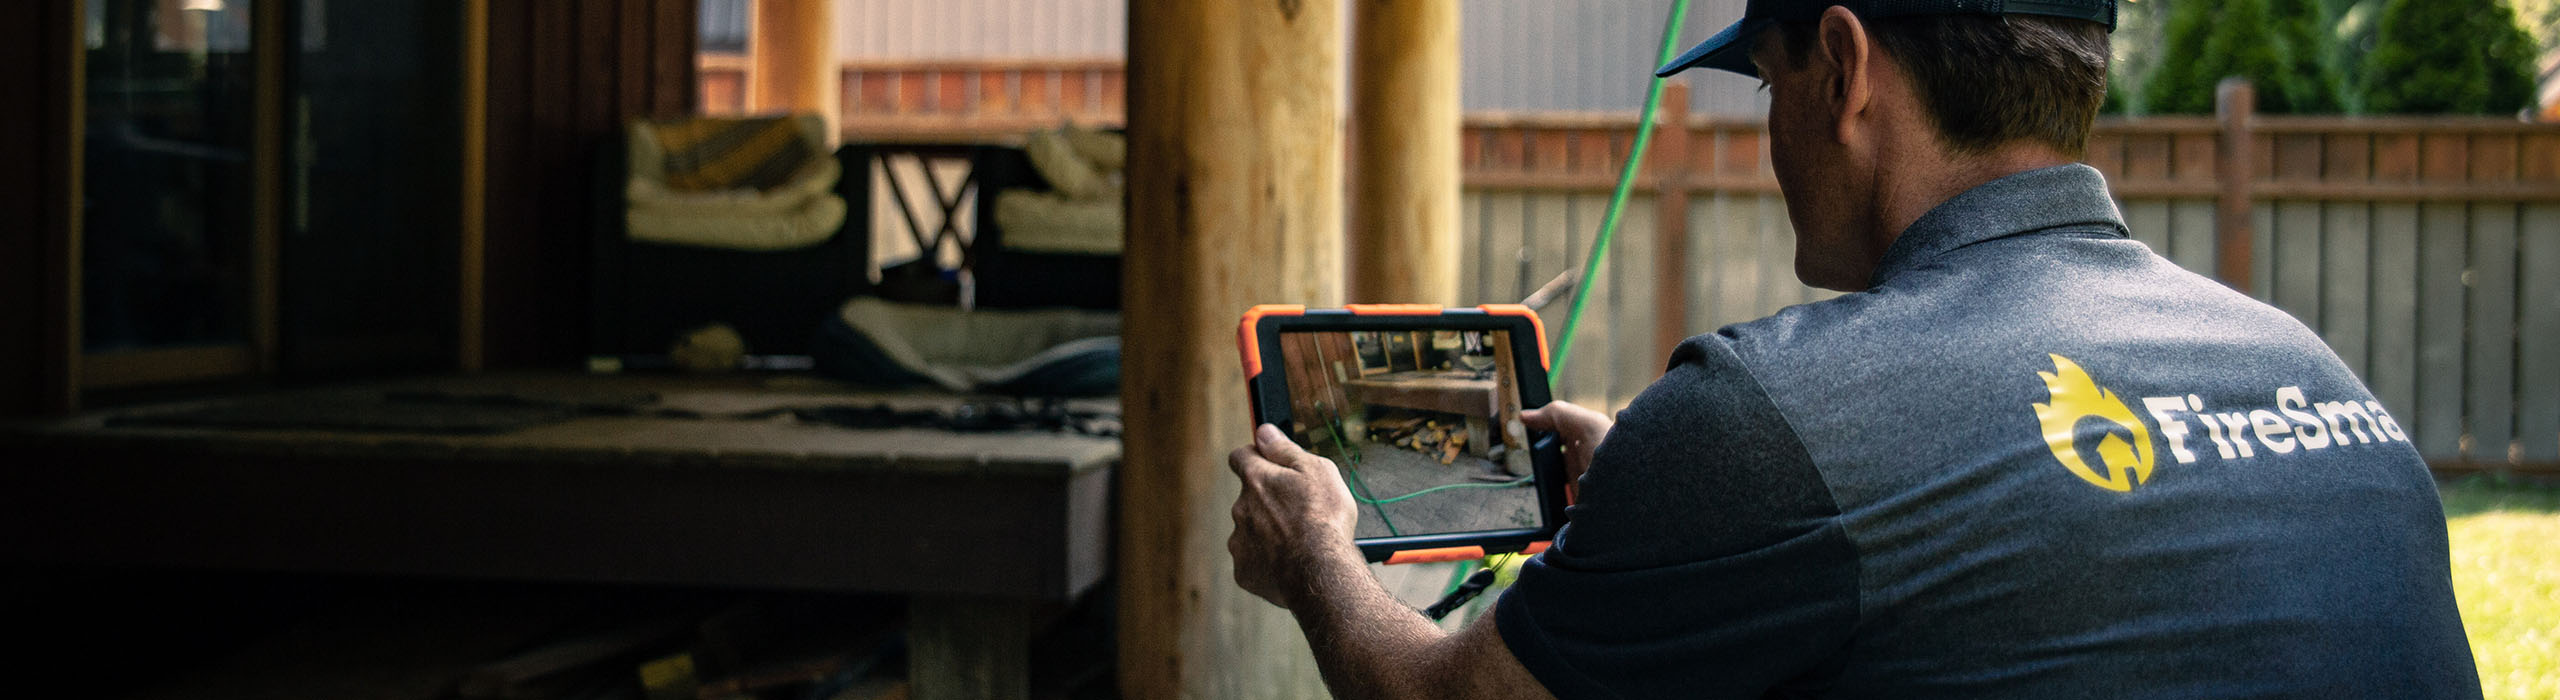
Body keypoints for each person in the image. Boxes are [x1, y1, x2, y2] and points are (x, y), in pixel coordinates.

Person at [1225, 0, 2485, 697]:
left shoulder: (1761, 415)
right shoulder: (2316, 374)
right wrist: (1675, 498)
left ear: (1845, 69)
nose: (1772, 136)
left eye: (1769, 87)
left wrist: (1319, 559)